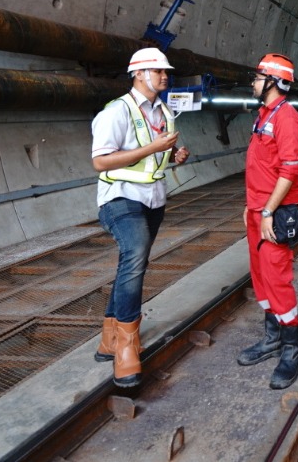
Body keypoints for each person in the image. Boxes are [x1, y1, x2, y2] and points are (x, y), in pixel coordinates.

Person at [90, 47, 189, 387]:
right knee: (134, 254)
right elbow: (101, 161)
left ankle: (108, 338)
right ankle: (127, 347)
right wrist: (153, 149)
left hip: (153, 198)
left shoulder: (164, 111)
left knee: (133, 262)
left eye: (165, 71)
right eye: (158, 71)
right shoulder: (116, 112)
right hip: (119, 197)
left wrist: (175, 155)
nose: (165, 76)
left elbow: (155, 154)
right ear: (139, 74)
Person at [237, 53, 298, 389]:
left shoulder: (287, 118)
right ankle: (273, 337)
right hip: (257, 210)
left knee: (277, 277)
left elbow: (291, 168)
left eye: (258, 77)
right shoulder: (264, 114)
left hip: (276, 212)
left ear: (274, 82)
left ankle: (292, 346)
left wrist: (267, 211)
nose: (253, 82)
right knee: (261, 276)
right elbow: (261, 167)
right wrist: (251, 207)